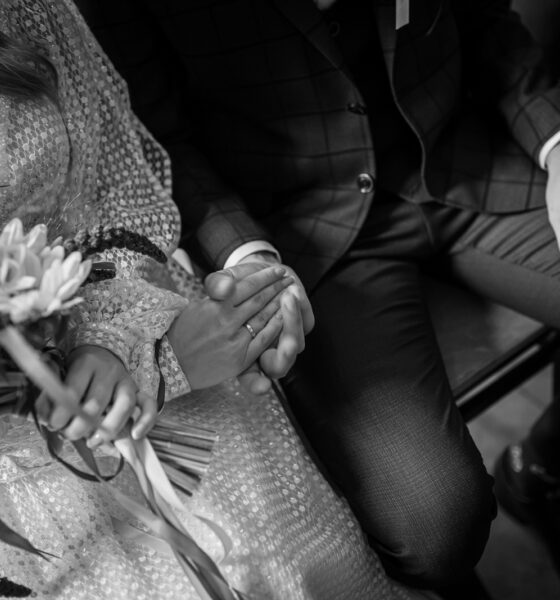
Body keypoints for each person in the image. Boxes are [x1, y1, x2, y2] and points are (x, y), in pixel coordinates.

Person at [0, 1, 435, 599]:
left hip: (128, 317)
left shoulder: (23, 9)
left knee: (294, 556)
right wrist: (159, 367)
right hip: (8, 488)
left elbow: (120, 191)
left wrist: (112, 338)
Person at [78, 0, 560, 589]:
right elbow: (158, 136)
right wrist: (248, 255)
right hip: (301, 234)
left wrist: (556, 142)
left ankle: (544, 468)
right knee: (435, 523)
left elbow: (489, 25)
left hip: (467, 162)